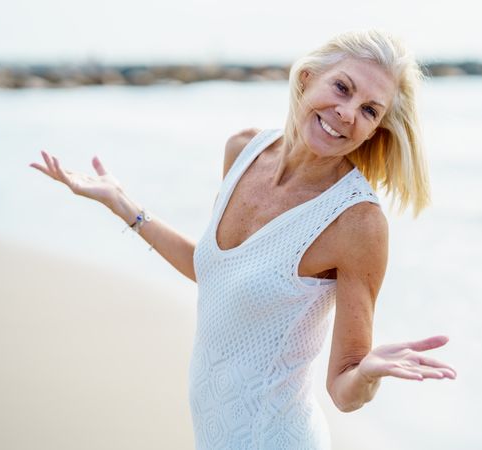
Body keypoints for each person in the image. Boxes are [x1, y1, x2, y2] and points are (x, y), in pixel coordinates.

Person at [30, 29, 457, 450]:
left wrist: (366, 376)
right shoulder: (243, 149)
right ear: (307, 78)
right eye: (342, 88)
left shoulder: (357, 222)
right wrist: (122, 203)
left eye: (369, 110)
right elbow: (217, 272)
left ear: (374, 131)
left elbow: (343, 387)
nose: (347, 113)